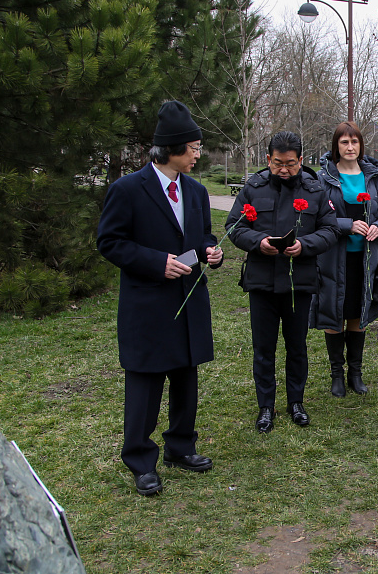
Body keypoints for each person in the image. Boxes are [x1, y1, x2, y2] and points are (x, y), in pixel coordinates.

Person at [97, 100, 222, 496]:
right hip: (147, 306)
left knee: (186, 379)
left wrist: (212, 251)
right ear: (171, 148)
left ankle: (180, 448)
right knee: (146, 385)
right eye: (194, 147)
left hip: (188, 303)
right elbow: (110, 242)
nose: (198, 154)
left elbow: (203, 236)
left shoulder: (197, 191)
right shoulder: (128, 190)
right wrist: (156, 263)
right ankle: (140, 459)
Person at [225, 131, 338, 434]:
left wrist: (305, 245)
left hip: (298, 282)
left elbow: (329, 230)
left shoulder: (315, 190)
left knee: (296, 346)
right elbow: (234, 226)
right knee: (263, 347)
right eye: (277, 164)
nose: (284, 170)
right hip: (261, 281)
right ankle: (266, 406)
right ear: (268, 160)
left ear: (301, 160)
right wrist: (257, 241)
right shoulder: (253, 187)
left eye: (290, 164)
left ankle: (296, 402)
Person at [311, 121, 378, 397]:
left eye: (354, 142)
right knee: (335, 314)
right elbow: (317, 217)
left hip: (365, 259)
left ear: (360, 145)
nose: (349, 147)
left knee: (358, 313)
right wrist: (346, 225)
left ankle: (355, 374)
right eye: (344, 142)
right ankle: (337, 374)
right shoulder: (324, 178)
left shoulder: (373, 178)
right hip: (334, 257)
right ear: (336, 146)